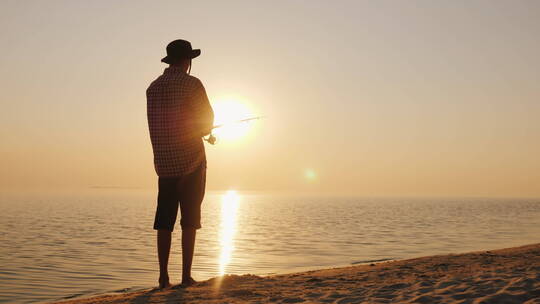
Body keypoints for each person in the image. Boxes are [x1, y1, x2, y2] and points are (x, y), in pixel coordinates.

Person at [146, 39, 214, 289]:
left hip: (163, 164)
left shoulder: (152, 88)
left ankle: (163, 277)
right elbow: (206, 121)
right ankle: (186, 276)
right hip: (191, 161)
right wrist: (206, 131)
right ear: (188, 60)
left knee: (164, 220)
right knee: (190, 219)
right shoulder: (192, 84)